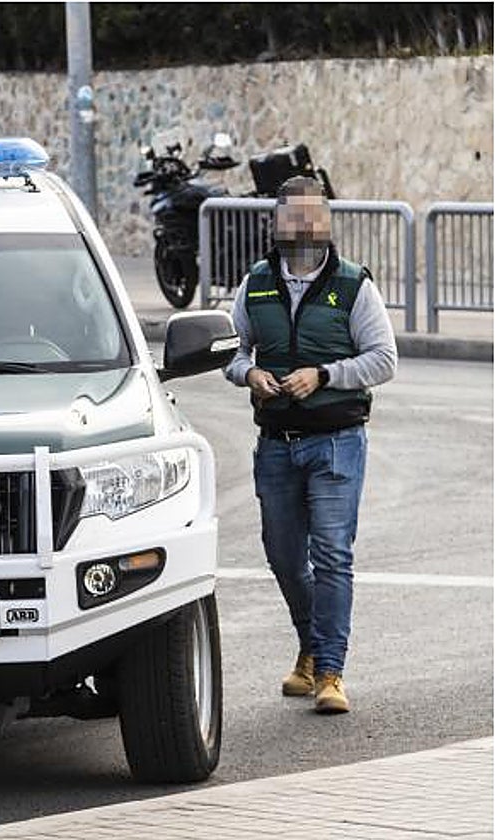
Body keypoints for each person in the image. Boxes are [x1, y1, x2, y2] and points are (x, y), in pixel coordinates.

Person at [224, 176, 397, 715]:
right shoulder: (255, 284)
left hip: (337, 443)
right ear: (276, 222)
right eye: (293, 215)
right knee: (282, 556)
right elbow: (228, 351)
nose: (303, 224)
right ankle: (309, 644)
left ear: (327, 222)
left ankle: (329, 672)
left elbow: (383, 359)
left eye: (313, 214)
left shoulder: (353, 286)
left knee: (331, 554)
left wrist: (324, 375)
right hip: (276, 443)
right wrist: (247, 374)